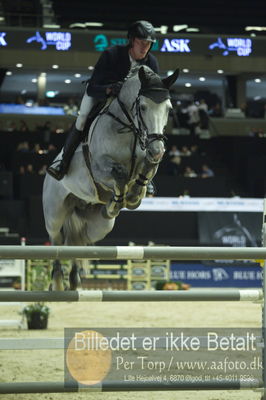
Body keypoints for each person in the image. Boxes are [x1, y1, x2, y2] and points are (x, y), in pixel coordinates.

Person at [47, 20, 159, 181]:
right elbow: (93, 86)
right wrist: (109, 88)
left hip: (130, 104)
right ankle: (63, 162)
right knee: (82, 118)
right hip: (102, 95)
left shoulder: (151, 62)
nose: (144, 47)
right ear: (132, 40)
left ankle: (145, 177)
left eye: (148, 44)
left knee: (149, 127)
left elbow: (152, 91)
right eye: (141, 42)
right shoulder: (111, 54)